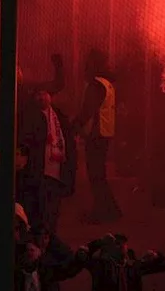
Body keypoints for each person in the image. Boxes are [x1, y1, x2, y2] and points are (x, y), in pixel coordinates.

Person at [20, 87, 76, 233]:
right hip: (39, 168)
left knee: (54, 206)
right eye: (37, 94)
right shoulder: (29, 116)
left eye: (44, 94)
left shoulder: (59, 116)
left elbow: (68, 141)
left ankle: (50, 233)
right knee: (40, 204)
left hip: (57, 168)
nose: (41, 97)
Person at [74, 49, 120, 224]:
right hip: (105, 133)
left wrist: (75, 126)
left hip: (96, 133)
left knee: (95, 175)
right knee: (99, 174)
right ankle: (110, 210)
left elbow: (88, 110)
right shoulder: (108, 83)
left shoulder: (96, 85)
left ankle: (104, 212)